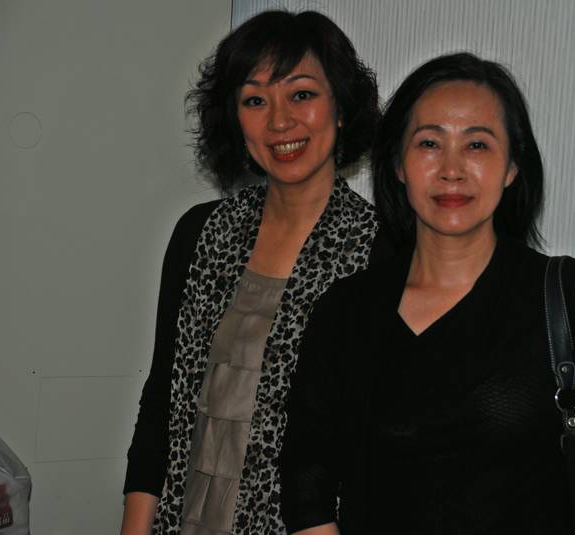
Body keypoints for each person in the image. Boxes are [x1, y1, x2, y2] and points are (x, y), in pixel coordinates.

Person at [280, 53, 575, 535]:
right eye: (429, 143)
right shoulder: (346, 310)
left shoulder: (566, 294)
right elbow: (306, 479)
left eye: (477, 144)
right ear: (398, 163)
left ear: (512, 166)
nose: (451, 169)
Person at [121, 10, 385, 535]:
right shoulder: (200, 233)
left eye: (301, 94)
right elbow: (161, 399)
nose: (279, 121)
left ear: (340, 108)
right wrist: (134, 526)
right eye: (255, 100)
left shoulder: (383, 252)